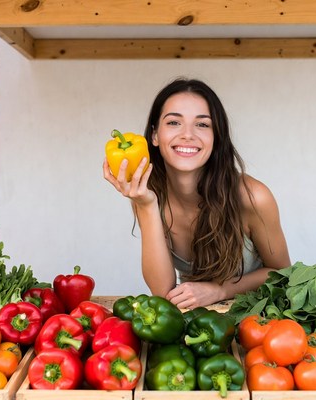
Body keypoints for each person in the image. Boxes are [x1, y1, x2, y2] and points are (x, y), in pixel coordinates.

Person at [103, 78, 291, 309]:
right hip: (201, 326)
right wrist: (145, 205)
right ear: (154, 136)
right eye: (174, 122)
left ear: (216, 136)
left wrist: (220, 289)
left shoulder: (253, 197)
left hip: (257, 320)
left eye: (202, 125)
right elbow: (162, 292)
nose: (188, 135)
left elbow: (283, 275)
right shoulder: (148, 194)